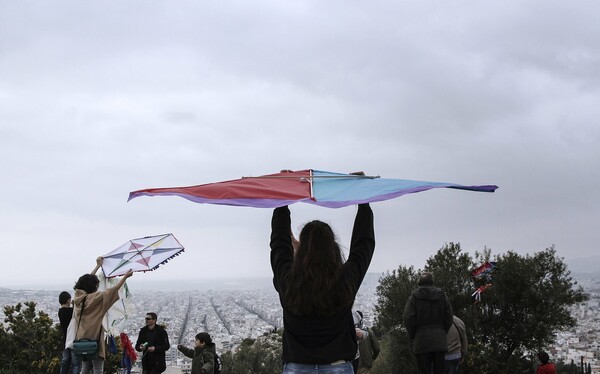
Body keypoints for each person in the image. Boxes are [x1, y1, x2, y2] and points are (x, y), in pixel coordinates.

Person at [270, 171, 375, 374]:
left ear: (300, 253)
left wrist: (283, 196)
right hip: (338, 367)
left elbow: (279, 245)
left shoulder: (289, 282)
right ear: (333, 249)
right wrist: (363, 199)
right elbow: (364, 245)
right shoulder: (345, 281)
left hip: (296, 367)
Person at [71, 257, 133, 374]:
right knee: (98, 368)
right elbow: (113, 290)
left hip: (82, 339)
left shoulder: (78, 298)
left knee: (85, 367)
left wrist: (97, 266)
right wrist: (125, 276)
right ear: (94, 287)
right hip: (95, 338)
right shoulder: (96, 299)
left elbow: (83, 284)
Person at [403, 272, 453, 374]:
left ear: (420, 282)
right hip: (439, 341)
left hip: (421, 342)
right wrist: (442, 331)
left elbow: (408, 318)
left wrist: (414, 334)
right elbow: (449, 316)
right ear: (432, 282)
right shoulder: (442, 295)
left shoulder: (414, 297)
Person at [59, 291, 81, 374]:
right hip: (73, 340)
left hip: (65, 341)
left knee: (65, 362)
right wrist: (74, 304)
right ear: (68, 300)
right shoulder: (70, 311)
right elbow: (77, 311)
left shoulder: (60, 311)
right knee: (75, 364)